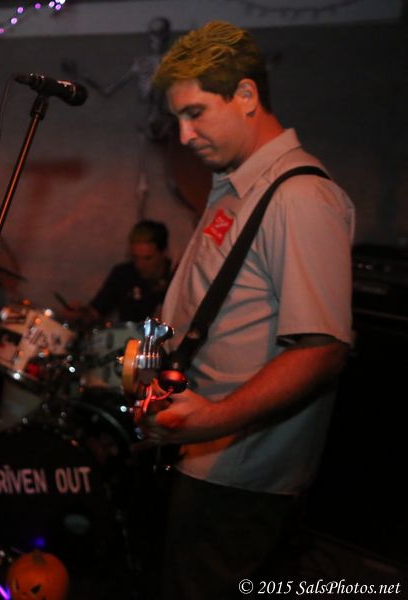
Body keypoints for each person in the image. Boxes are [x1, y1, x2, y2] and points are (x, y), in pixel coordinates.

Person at [138, 21, 354, 600]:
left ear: (247, 95)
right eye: (177, 119)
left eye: (195, 113)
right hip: (206, 461)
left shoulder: (301, 197)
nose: (184, 136)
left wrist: (213, 419)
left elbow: (322, 351)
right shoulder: (237, 185)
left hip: (238, 477)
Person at [64, 219, 173, 326]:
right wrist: (80, 314)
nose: (140, 265)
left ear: (164, 252)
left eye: (147, 258)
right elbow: (95, 312)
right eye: (135, 257)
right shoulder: (123, 274)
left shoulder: (175, 279)